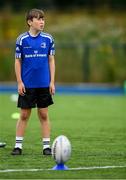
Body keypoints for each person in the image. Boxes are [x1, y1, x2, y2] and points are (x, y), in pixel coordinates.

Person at [11, 8, 55, 156]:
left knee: (43, 114)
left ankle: (46, 147)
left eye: (43, 19)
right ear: (30, 22)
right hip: (27, 84)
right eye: (38, 19)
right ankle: (18, 146)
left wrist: (52, 82)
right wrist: (19, 82)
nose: (42, 22)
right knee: (24, 115)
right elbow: (17, 61)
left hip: (43, 84)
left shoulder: (48, 39)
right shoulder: (22, 40)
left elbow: (51, 60)